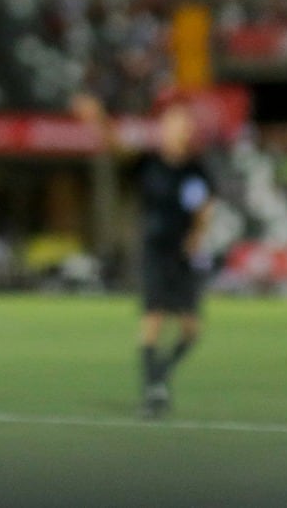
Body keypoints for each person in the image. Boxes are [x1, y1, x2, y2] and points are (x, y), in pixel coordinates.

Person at [71, 89, 216, 420]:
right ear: (163, 128)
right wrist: (99, 119)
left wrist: (197, 234)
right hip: (154, 251)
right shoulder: (148, 163)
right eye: (172, 122)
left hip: (183, 256)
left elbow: (206, 204)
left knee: (191, 331)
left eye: (183, 122)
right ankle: (153, 393)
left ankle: (161, 374)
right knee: (152, 319)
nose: (178, 127)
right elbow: (117, 147)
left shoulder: (195, 168)